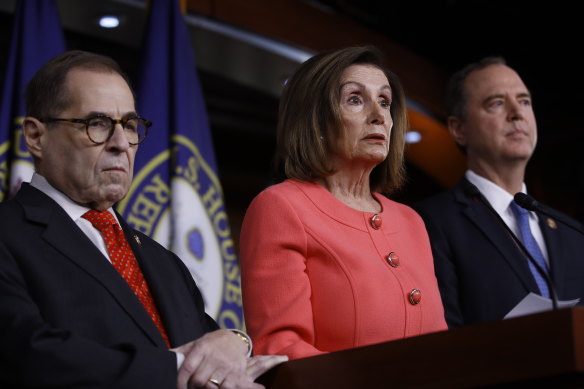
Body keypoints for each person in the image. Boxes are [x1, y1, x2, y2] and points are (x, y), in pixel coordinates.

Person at [0, 50, 286, 389]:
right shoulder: (9, 234)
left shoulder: (162, 260)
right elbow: (28, 354)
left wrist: (237, 341)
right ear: (36, 137)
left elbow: (213, 349)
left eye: (130, 125)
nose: (121, 143)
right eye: (98, 124)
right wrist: (182, 368)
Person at [239, 46, 447, 360]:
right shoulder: (280, 207)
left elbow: (442, 348)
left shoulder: (411, 222)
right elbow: (281, 349)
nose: (378, 115)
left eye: (384, 101)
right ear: (316, 120)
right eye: (354, 99)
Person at [414, 57, 584, 328]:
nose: (517, 113)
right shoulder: (429, 223)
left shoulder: (573, 232)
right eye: (496, 103)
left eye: (525, 101)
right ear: (459, 130)